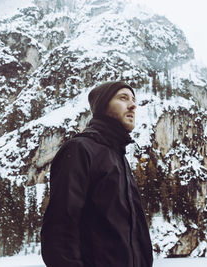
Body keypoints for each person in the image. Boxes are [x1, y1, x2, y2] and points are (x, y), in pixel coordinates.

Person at [41, 81, 153, 267]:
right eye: (123, 98)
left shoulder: (119, 158)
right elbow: (59, 231)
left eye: (133, 99)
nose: (133, 105)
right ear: (103, 106)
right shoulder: (80, 150)